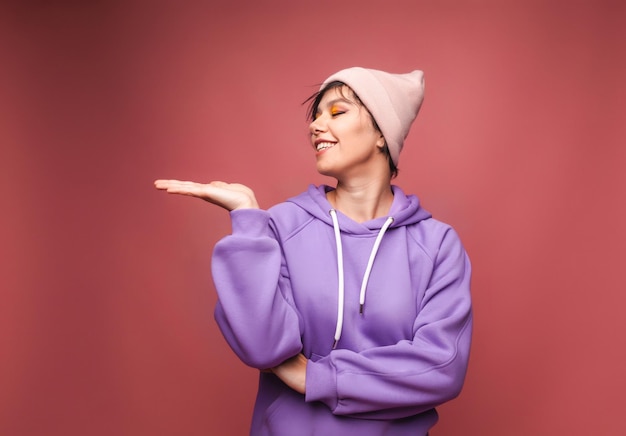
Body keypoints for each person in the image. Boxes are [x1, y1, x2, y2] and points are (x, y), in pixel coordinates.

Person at [155, 67, 472, 436]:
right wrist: (246, 220)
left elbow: (441, 370)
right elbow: (262, 347)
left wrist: (319, 377)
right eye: (316, 116)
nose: (316, 126)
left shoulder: (436, 244)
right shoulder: (280, 226)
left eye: (337, 112)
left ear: (383, 136)